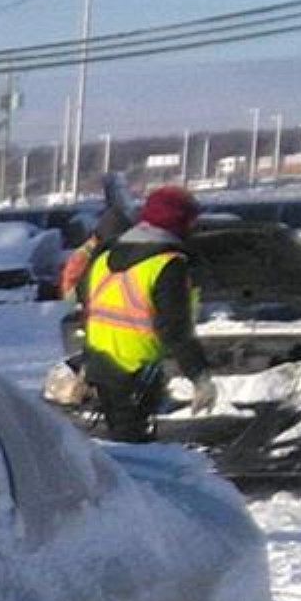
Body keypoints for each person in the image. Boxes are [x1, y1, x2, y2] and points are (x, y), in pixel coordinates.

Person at [74, 184, 210, 442]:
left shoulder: (105, 255)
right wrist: (199, 376)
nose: (194, 227)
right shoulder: (167, 265)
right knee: (134, 451)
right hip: (137, 373)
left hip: (101, 366)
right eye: (191, 220)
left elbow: (87, 307)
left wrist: (86, 360)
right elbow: (174, 329)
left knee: (119, 448)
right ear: (178, 221)